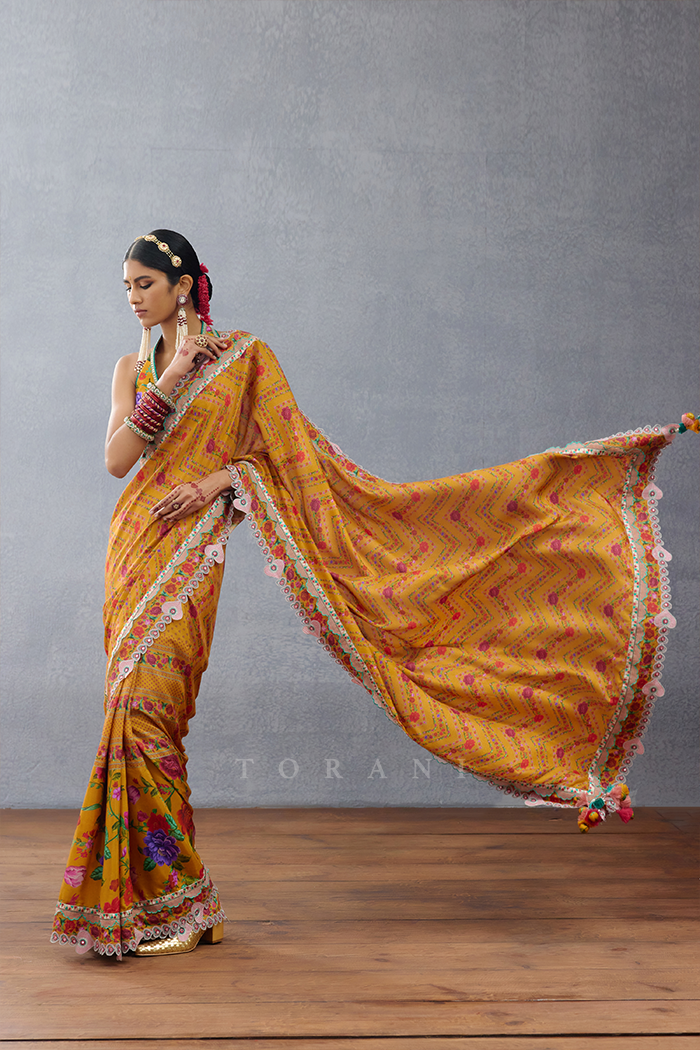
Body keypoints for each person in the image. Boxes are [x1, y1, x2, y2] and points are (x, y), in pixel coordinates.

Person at [52, 229, 696, 959]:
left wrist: (219, 482)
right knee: (126, 716)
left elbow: (288, 462)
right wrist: (171, 376)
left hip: (189, 557)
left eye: (144, 284)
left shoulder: (246, 359)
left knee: (150, 719)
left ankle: (184, 904)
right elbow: (117, 461)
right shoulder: (131, 368)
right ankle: (161, 906)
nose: (133, 298)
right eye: (126, 286)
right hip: (133, 549)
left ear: (181, 285)